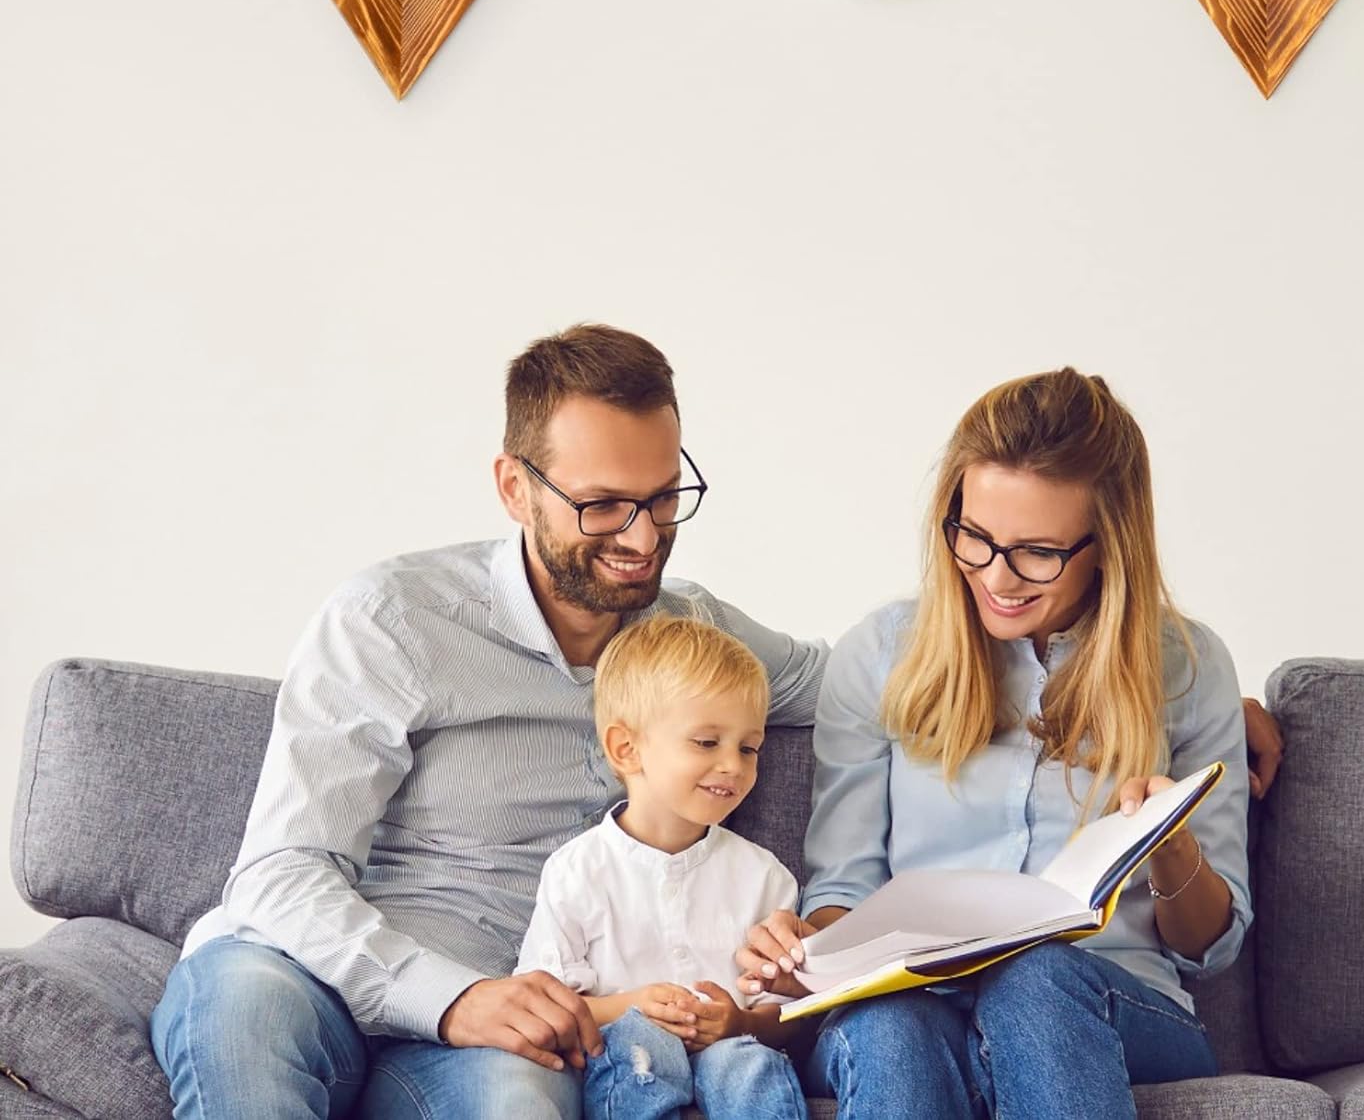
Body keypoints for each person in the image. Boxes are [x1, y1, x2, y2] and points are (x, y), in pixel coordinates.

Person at [149, 324, 827, 1120]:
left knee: (521, 1106)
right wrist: (446, 996)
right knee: (243, 1013)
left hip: (504, 1024)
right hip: (316, 975)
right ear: (515, 487)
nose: (644, 538)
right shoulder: (392, 619)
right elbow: (282, 868)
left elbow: (858, 682)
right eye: (603, 505)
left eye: (664, 497)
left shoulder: (693, 638)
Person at [736, 369, 1254, 1120]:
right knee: (885, 1026)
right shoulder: (883, 655)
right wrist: (803, 951)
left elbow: (1213, 946)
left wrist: (1172, 846)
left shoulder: (1188, 668)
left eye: (1036, 552)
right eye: (974, 537)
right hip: (920, 1000)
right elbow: (843, 890)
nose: (996, 577)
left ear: (1110, 544)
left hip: (1111, 999)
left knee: (1037, 978)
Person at [516, 613, 808, 1120]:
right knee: (641, 1045)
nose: (734, 766)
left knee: (745, 1064)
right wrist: (636, 1004)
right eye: (706, 742)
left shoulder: (765, 877)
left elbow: (791, 1018)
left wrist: (738, 1023)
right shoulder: (576, 872)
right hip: (627, 1063)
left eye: (748, 748)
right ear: (626, 750)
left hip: (733, 1060)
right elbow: (549, 1007)